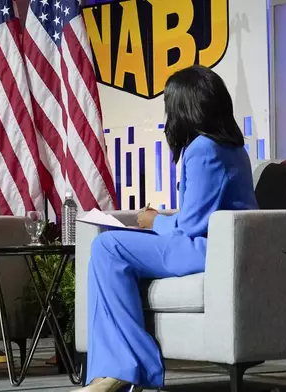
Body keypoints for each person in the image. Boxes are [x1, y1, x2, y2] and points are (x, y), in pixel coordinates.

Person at [75, 65, 258, 392]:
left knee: (107, 247)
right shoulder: (233, 149)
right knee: (108, 257)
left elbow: (191, 226)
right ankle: (117, 369)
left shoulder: (203, 148)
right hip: (214, 246)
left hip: (204, 250)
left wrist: (153, 221)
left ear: (185, 107)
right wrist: (158, 221)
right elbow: (202, 211)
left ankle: (127, 368)